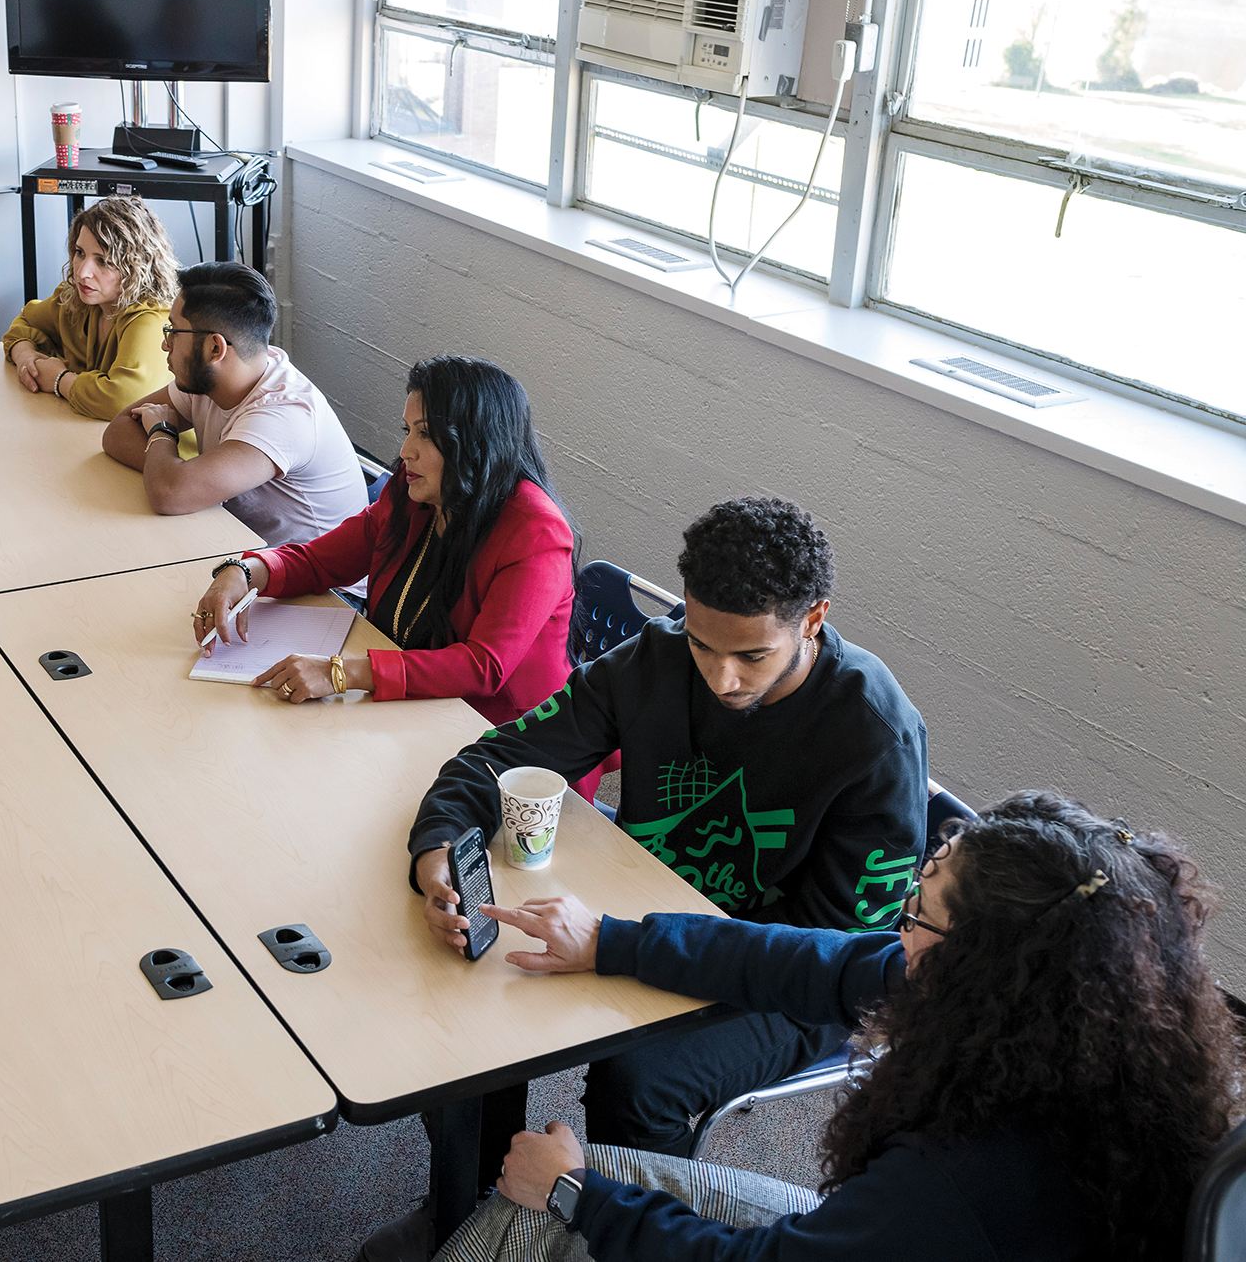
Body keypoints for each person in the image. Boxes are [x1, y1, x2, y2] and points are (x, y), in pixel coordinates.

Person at [371, 497, 928, 1258]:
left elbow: (834, 952)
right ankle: (471, 1207)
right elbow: (495, 756)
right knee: (481, 988)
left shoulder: (874, 733)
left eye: (752, 656)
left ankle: (612, 1232)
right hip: (646, 915)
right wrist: (437, 847)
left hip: (792, 974)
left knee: (640, 1080)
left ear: (814, 618)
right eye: (703, 644)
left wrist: (629, 945)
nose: (722, 677)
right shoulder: (660, 657)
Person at [436, 791, 1242, 1262]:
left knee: (539, 1198)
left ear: (988, 963)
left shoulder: (959, 1179)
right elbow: (806, 962)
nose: (901, 931)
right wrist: (613, 939)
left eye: (918, 913)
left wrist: (579, 1193)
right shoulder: (1072, 1028)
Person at [193, 355, 580, 727]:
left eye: (425, 434)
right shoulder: (413, 491)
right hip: (411, 706)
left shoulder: (536, 532)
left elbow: (483, 666)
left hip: (507, 735)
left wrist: (343, 673)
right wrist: (244, 572)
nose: (405, 451)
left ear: (476, 445)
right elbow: (319, 561)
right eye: (407, 430)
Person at [103, 261, 366, 546]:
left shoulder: (283, 415)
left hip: (323, 586)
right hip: (244, 553)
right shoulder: (213, 375)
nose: (166, 345)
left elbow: (169, 493)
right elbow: (118, 432)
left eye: (174, 331)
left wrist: (162, 435)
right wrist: (176, 476)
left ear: (215, 348)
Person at [3, 197, 178, 420]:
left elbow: (122, 400)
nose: (82, 272)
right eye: (80, 253)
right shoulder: (78, 299)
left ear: (137, 267)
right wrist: (25, 356)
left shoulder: (152, 319)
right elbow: (24, 322)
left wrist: (59, 380)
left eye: (103, 261)